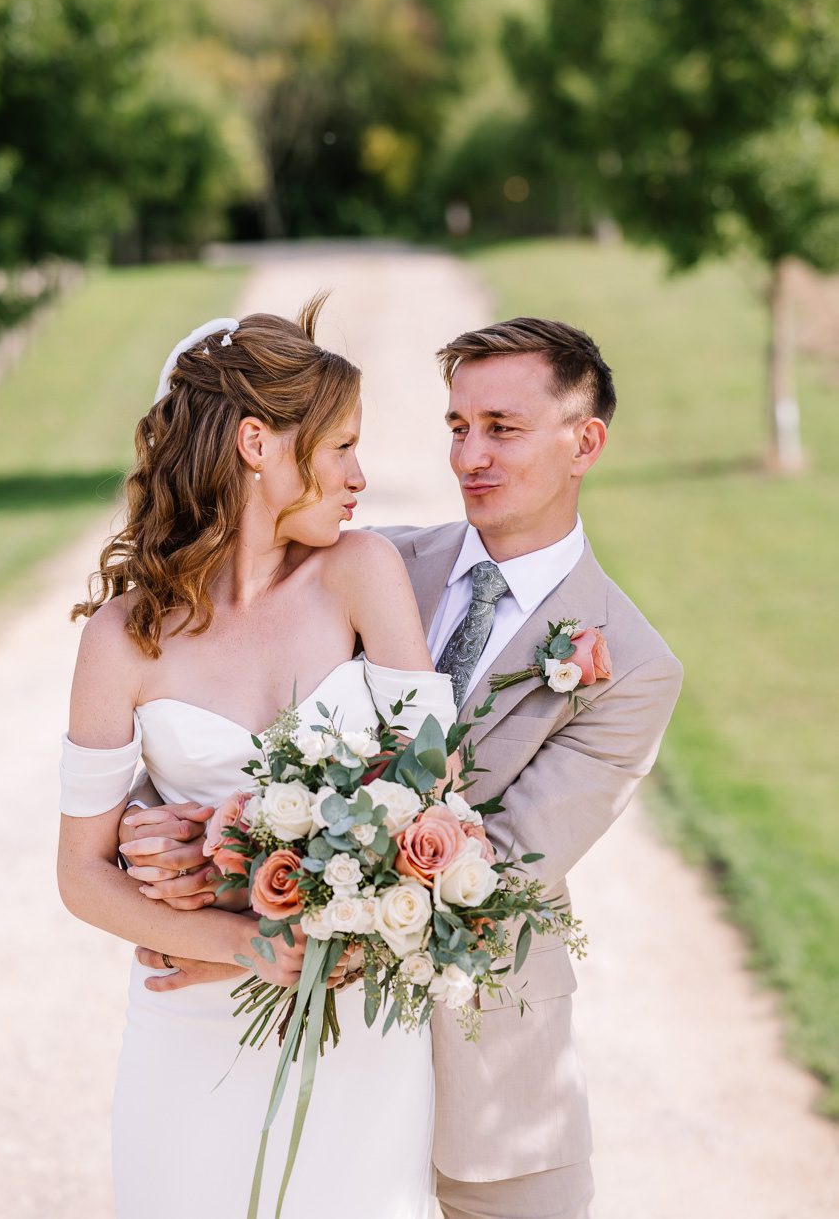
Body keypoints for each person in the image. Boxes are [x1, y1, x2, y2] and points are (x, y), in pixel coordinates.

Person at [123, 316, 683, 1219]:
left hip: (488, 1096)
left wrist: (241, 939)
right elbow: (219, 684)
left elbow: (482, 871)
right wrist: (163, 818)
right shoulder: (359, 561)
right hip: (315, 1059)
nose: (470, 456)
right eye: (457, 427)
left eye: (501, 428)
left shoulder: (635, 668)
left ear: (586, 443)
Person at [57, 300, 457, 1219]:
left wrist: (278, 897)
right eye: (341, 446)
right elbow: (81, 874)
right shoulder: (124, 636)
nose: (361, 475)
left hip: (356, 1027)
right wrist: (245, 942)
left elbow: (431, 796)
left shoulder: (361, 574)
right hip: (187, 1028)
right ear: (255, 443)